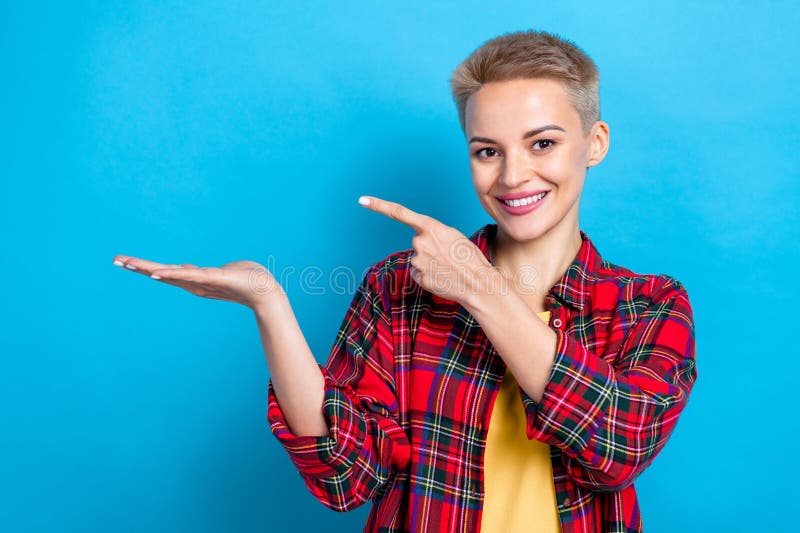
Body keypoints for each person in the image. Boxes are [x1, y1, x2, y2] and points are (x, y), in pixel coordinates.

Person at [112, 29, 698, 533]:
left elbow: (619, 445)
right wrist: (270, 305)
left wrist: (477, 286)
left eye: (542, 143)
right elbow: (346, 474)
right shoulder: (398, 287)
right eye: (486, 151)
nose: (514, 174)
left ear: (593, 144)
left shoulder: (646, 306)